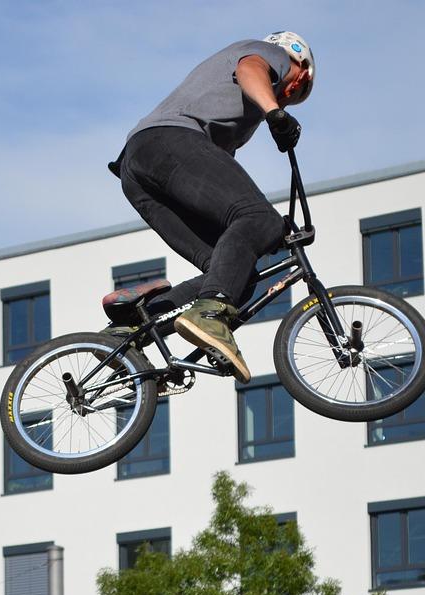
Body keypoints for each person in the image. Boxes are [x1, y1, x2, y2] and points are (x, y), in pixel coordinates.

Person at [106, 32, 315, 383]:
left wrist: (269, 235)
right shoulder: (266, 54)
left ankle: (127, 333)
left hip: (138, 171)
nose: (288, 93)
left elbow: (216, 188)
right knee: (257, 217)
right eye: (295, 88)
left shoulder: (234, 118)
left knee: (233, 269)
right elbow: (252, 70)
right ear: (299, 65)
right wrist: (276, 113)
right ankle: (210, 315)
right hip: (167, 143)